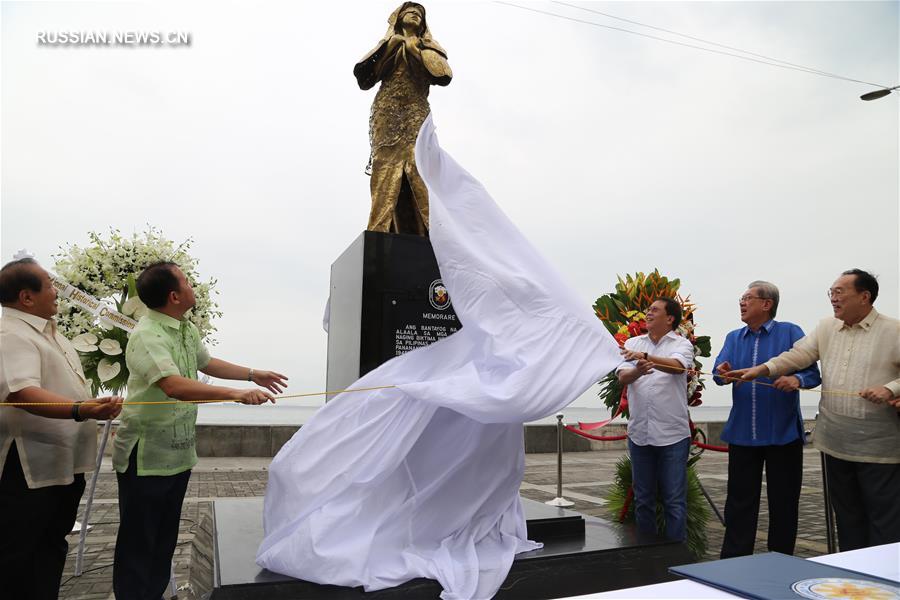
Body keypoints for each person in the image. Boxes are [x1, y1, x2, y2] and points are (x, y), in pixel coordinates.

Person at [112, 261, 288, 600]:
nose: (194, 287)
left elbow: (206, 363)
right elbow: (174, 385)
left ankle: (156, 593)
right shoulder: (148, 334)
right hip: (146, 454)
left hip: (177, 453)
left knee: (164, 538)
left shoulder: (185, 328)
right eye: (188, 282)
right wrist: (236, 394)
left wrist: (253, 374)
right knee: (139, 541)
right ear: (175, 295)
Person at [727, 269, 900, 551]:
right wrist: (763, 369)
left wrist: (890, 389)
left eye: (840, 292)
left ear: (865, 296)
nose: (833, 298)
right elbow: (798, 355)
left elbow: (809, 372)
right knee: (847, 517)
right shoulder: (826, 327)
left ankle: (886, 581)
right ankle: (851, 574)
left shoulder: (893, 330)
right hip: (835, 443)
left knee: (884, 519)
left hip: (878, 446)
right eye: (831, 292)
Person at [0, 257, 123, 600]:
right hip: (27, 468)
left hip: (61, 463)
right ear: (26, 297)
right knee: (18, 556)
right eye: (50, 285)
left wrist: (90, 405)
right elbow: (21, 392)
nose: (58, 292)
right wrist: (81, 409)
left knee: (51, 546)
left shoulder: (50, 333)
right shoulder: (11, 334)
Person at [713, 281, 821, 558]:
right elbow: (718, 373)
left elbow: (812, 374)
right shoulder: (733, 337)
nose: (742, 302)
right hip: (742, 434)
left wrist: (796, 378)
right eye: (741, 298)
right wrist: (723, 372)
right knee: (738, 503)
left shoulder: (790, 332)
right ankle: (734, 562)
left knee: (784, 502)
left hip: (782, 434)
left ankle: (781, 559)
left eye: (747, 297)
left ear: (767, 304)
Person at [354, 2, 452, 235]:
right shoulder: (388, 44)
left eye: (420, 15)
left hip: (416, 112)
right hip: (387, 111)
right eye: (410, 12)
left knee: (419, 164)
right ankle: (378, 228)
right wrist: (393, 46)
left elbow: (442, 74)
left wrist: (415, 49)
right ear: (398, 18)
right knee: (384, 164)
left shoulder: (428, 46)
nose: (415, 16)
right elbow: (365, 79)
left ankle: (433, 230)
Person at [617, 298, 694, 541]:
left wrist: (645, 356)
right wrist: (637, 370)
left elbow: (677, 367)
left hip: (673, 434)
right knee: (643, 500)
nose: (648, 313)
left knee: (674, 501)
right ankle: (646, 555)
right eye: (648, 310)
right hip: (640, 433)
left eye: (654, 310)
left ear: (670, 318)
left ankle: (674, 558)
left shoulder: (681, 344)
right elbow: (622, 377)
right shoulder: (631, 342)